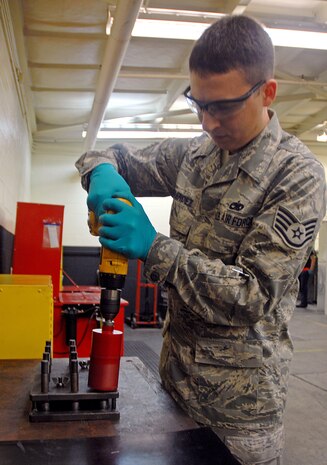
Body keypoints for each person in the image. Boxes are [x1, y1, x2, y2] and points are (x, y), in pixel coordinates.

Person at [76, 15, 326, 465]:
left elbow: (251, 296)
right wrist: (101, 171)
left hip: (239, 419)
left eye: (223, 107)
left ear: (267, 92)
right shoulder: (194, 155)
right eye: (199, 103)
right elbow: (109, 153)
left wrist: (153, 247)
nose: (208, 123)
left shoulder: (297, 176)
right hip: (173, 390)